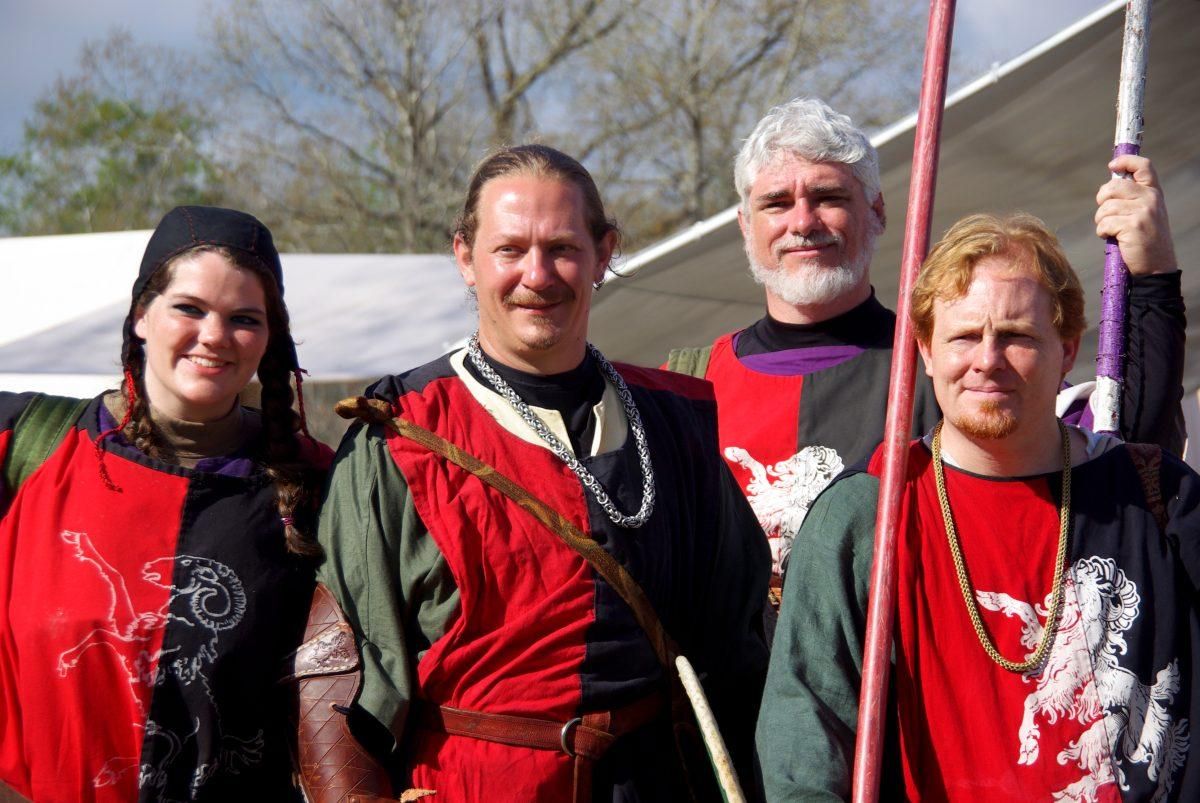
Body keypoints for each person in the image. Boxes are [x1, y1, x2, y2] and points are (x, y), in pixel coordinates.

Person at [311, 145, 769, 801]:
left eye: (561, 247)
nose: (537, 274)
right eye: (510, 249)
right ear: (465, 257)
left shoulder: (677, 422)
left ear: (602, 253)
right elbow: (338, 679)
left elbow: (736, 650)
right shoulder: (395, 437)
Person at [757, 212, 1200, 800]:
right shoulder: (868, 516)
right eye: (964, 336)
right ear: (926, 351)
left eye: (1017, 336)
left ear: (1067, 349)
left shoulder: (1157, 496)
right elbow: (804, 742)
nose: (988, 359)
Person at [666, 97, 1186, 595]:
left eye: (828, 197)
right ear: (744, 226)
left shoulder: (952, 364)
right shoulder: (685, 387)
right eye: (776, 203)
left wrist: (1153, 278)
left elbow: (1122, 440)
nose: (802, 222)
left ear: (877, 211)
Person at [0, 206, 330, 802]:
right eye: (189, 308)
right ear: (141, 316)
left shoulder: (321, 483)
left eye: (243, 319)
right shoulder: (24, 443)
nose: (214, 335)